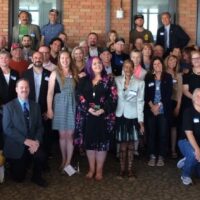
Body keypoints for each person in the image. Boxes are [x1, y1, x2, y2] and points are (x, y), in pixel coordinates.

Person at [75, 56, 118, 180]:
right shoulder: (84, 80)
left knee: (102, 144)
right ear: (89, 66)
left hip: (104, 117)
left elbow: (113, 97)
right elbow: (79, 95)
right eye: (94, 63)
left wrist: (103, 109)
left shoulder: (109, 80)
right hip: (88, 116)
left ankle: (99, 170)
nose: (97, 65)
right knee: (90, 143)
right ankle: (91, 169)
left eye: (99, 63)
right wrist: (88, 108)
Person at [2, 78, 47, 187]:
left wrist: (36, 142)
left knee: (41, 156)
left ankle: (36, 176)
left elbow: (40, 127)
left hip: (32, 143)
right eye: (21, 87)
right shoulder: (8, 107)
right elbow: (7, 128)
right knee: (19, 178)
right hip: (17, 144)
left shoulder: (35, 106)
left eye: (26, 87)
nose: (24, 89)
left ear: (29, 89)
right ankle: (21, 165)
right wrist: (25, 141)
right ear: (16, 89)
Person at [47, 50, 77, 171]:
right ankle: (63, 159)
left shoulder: (75, 72)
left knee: (70, 135)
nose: (65, 60)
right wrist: (49, 109)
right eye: (62, 58)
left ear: (70, 59)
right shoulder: (54, 73)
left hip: (72, 104)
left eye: (67, 58)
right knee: (62, 135)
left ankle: (68, 162)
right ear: (59, 60)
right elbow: (49, 93)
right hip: (59, 105)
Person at [115, 59, 144, 179]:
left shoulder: (139, 83)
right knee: (122, 145)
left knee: (131, 145)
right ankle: (122, 170)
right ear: (123, 68)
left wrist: (141, 121)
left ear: (133, 69)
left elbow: (140, 102)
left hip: (133, 116)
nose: (127, 69)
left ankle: (130, 170)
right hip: (120, 115)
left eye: (130, 67)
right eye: (125, 67)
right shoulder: (116, 80)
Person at [23, 52, 51, 160]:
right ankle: (27, 157)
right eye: (35, 57)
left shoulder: (49, 74)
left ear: (43, 59)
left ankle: (43, 158)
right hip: (29, 109)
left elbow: (51, 94)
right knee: (29, 131)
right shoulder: (25, 74)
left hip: (44, 110)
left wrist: (49, 110)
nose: (38, 59)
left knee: (44, 133)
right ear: (32, 59)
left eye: (40, 57)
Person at [144, 57, 172, 167]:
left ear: (162, 65)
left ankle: (161, 156)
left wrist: (158, 106)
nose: (157, 65)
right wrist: (152, 106)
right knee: (151, 134)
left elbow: (168, 94)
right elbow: (145, 94)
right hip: (151, 110)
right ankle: (152, 155)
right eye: (155, 64)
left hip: (163, 110)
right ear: (152, 66)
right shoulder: (148, 77)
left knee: (163, 134)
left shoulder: (168, 77)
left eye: (159, 63)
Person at [177, 88, 200, 185]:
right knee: (194, 153)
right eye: (197, 95)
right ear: (193, 98)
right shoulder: (188, 112)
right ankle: (185, 175)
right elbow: (189, 134)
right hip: (186, 141)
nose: (199, 97)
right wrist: (198, 150)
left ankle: (186, 162)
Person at [0, 50, 19, 157]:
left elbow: (18, 90)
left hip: (12, 108)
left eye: (6, 58)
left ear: (9, 59)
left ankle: (10, 153)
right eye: (1, 58)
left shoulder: (15, 73)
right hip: (0, 108)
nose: (4, 60)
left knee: (10, 130)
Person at [165, 55, 182, 158]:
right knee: (164, 126)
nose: (173, 62)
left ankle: (172, 149)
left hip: (175, 102)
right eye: (171, 60)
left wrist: (178, 106)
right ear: (167, 61)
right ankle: (165, 149)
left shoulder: (178, 75)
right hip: (165, 103)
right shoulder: (162, 73)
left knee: (174, 127)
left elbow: (180, 92)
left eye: (175, 61)